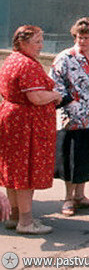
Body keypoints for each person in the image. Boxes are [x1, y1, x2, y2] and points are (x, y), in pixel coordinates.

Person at [0, 25, 62, 234]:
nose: (41, 46)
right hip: (26, 124)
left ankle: (14, 216)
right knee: (26, 171)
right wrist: (55, 95)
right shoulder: (27, 65)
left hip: (13, 119)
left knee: (14, 168)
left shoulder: (12, 59)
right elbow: (36, 98)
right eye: (37, 42)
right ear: (23, 43)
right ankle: (26, 222)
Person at [50, 17, 89, 217]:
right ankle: (68, 198)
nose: (81, 41)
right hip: (73, 116)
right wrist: (71, 104)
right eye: (78, 37)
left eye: (86, 37)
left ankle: (81, 195)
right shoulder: (65, 58)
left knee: (87, 155)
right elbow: (55, 85)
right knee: (71, 157)